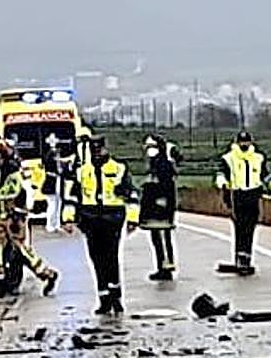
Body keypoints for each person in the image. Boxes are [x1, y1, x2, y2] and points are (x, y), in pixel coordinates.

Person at [64, 135, 140, 315]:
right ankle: (104, 299)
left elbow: (132, 196)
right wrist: (68, 218)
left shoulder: (119, 169)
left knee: (111, 258)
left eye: (100, 150)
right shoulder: (82, 171)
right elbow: (72, 197)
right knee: (96, 259)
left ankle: (116, 297)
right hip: (90, 218)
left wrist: (133, 219)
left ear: (106, 149)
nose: (97, 153)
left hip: (112, 217)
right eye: (94, 150)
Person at [0, 139, 59, 295]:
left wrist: (17, 214)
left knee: (21, 250)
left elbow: (22, 192)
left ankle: (47, 274)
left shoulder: (12, 170)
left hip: (14, 217)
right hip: (2, 217)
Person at [215, 129, 271, 276]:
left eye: (246, 142)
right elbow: (222, 174)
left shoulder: (258, 158)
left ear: (251, 142)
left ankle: (246, 258)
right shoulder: (229, 158)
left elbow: (267, 176)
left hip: (254, 195)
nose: (244, 144)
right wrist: (222, 183)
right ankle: (240, 257)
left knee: (250, 227)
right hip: (237, 195)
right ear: (237, 142)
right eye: (242, 142)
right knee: (240, 227)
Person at [139, 133, 182, 281]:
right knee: (157, 237)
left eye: (151, 146)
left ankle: (166, 267)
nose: (148, 149)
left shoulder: (163, 164)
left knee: (162, 235)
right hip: (155, 205)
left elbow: (165, 186)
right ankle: (161, 266)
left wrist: (160, 201)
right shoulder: (155, 162)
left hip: (161, 206)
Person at [41, 134, 67, 233]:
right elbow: (49, 163)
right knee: (52, 204)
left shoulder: (57, 154)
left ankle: (57, 223)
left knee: (59, 203)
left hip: (58, 180)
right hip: (51, 179)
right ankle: (49, 224)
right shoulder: (48, 154)